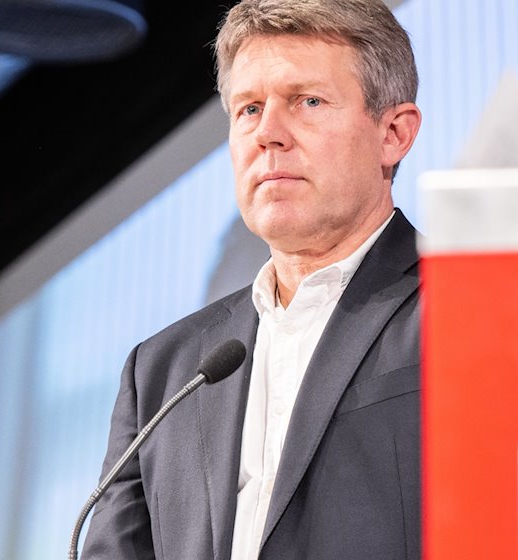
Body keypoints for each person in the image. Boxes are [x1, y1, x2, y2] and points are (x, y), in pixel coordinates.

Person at [82, 0, 422, 558]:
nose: (269, 134)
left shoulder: (466, 309)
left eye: (307, 102)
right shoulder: (163, 371)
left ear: (393, 134)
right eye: (248, 110)